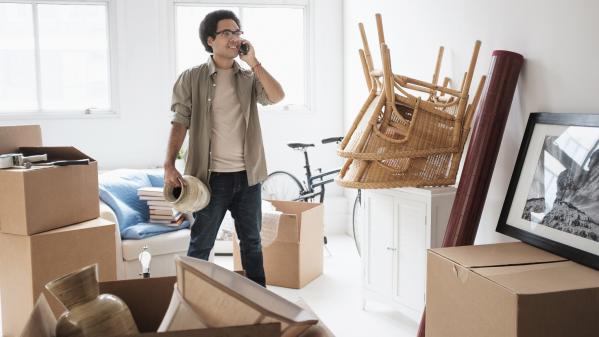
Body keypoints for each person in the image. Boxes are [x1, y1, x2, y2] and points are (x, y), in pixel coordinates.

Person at [163, 9, 284, 287]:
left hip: (248, 177)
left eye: (237, 32)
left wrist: (254, 62)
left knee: (252, 245)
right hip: (210, 179)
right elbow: (179, 122)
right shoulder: (191, 78)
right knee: (201, 246)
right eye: (226, 32)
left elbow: (276, 96)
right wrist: (169, 164)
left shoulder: (248, 77)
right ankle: (191, 302)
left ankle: (259, 306)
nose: (234, 38)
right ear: (210, 40)